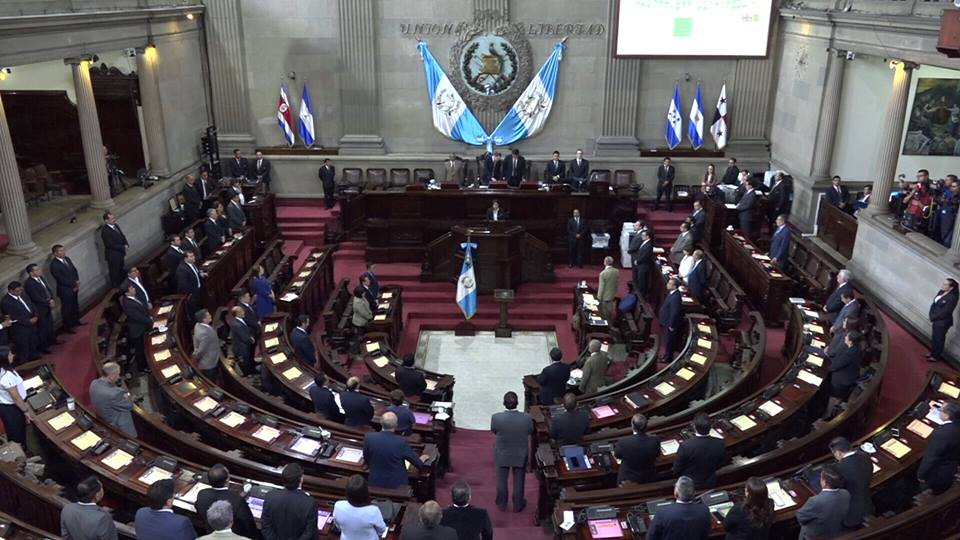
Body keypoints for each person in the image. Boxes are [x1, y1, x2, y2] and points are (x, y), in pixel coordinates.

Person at [490, 391, 533, 512]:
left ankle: (502, 504)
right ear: (518, 403)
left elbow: (494, 430)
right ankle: (518, 505)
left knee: (501, 480)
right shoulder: (527, 418)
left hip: (502, 452)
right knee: (519, 481)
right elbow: (530, 431)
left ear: (504, 403)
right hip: (520, 452)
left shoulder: (496, 417)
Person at [363, 412, 427, 489]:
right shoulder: (401, 441)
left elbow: (366, 459)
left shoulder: (369, 438)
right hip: (397, 485)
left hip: (374, 481)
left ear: (380, 422)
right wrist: (421, 459)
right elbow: (417, 463)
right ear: (396, 425)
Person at [195, 464, 257, 539]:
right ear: (227, 480)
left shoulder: (202, 494)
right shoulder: (237, 500)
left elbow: (198, 508)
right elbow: (248, 524)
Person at [260, 464, 318, 540]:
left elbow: (266, 526)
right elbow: (309, 533)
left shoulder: (270, 496)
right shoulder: (310, 502)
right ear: (301, 480)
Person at [829, 437, 873, 530]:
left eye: (834, 453)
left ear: (838, 452)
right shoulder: (866, 458)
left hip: (850, 514)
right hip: (867, 506)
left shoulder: (838, 469)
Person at [646, 476, 711, 540]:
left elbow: (650, 538)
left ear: (675, 493)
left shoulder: (662, 513)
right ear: (694, 493)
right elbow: (705, 534)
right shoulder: (704, 510)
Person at [673, 413, 726, 489]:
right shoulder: (720, 443)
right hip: (710, 481)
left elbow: (677, 469)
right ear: (711, 427)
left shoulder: (686, 446)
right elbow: (721, 463)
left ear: (694, 427)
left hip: (689, 484)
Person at [796, 466, 850, 540]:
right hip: (835, 531)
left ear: (824, 483)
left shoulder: (815, 501)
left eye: (821, 478)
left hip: (814, 535)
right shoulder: (846, 493)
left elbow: (800, 517)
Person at [918, 400, 960, 494]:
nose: (938, 412)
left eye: (940, 410)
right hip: (951, 468)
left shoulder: (942, 434)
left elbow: (931, 458)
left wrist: (921, 476)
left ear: (946, 415)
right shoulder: (956, 426)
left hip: (937, 476)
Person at [89, 362, 136, 437]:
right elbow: (129, 405)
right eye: (118, 374)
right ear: (111, 376)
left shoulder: (94, 383)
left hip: (102, 416)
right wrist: (128, 397)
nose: (118, 377)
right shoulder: (115, 394)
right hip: (117, 424)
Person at [333, 475, 386, 540]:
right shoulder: (373, 511)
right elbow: (382, 529)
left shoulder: (338, 505)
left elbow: (338, 526)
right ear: (365, 492)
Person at [614, 413, 660, 485]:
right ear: (646, 426)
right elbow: (657, 454)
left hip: (628, 480)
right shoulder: (655, 440)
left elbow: (617, 455)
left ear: (632, 426)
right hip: (649, 477)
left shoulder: (623, 442)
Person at [24, 263, 57, 353]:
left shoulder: (41, 278)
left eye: (39, 269)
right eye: (37, 270)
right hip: (40, 309)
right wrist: (48, 302)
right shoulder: (29, 284)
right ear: (31, 273)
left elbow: (47, 289)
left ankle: (52, 340)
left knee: (49, 325)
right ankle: (44, 347)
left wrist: (52, 298)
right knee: (42, 329)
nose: (40, 271)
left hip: (47, 306)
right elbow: (35, 297)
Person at [1, 281, 38, 362]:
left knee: (33, 343)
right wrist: (28, 321)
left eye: (21, 290)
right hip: (20, 330)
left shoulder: (23, 294)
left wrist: (35, 315)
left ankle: (34, 359)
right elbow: (13, 316)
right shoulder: (6, 302)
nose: (20, 292)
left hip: (32, 325)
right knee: (23, 349)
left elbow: (31, 304)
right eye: (18, 291)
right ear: (11, 291)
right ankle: (25, 366)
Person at [49, 244, 82, 332]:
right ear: (55, 253)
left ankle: (76, 321)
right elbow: (60, 279)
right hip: (65, 290)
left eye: (63, 250)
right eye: (60, 251)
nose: (63, 252)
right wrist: (73, 285)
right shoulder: (54, 265)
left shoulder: (67, 259)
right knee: (67, 308)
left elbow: (74, 270)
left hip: (74, 287)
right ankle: (67, 326)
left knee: (75, 305)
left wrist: (77, 280)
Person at [121, 283, 151, 374]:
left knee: (144, 347)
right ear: (126, 293)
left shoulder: (134, 297)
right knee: (140, 350)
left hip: (143, 326)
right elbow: (137, 317)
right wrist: (150, 321)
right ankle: (142, 368)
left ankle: (146, 364)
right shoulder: (128, 303)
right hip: (137, 330)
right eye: (131, 288)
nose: (134, 289)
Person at [0, 347, 27, 445]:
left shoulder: (3, 369)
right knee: (17, 432)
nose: (12, 356)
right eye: (10, 354)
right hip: (12, 408)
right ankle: (20, 455)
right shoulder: (7, 376)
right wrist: (26, 411)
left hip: (4, 406)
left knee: (12, 430)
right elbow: (16, 397)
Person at [929, 277, 959, 362]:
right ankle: (932, 353)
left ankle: (935, 356)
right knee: (934, 337)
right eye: (944, 283)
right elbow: (934, 304)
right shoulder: (941, 292)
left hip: (943, 322)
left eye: (946, 284)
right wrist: (931, 314)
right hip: (936, 319)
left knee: (939, 338)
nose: (943, 285)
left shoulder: (952, 298)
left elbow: (945, 311)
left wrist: (933, 317)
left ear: (951, 287)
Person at [100, 212, 128, 288]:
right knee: (115, 273)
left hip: (120, 254)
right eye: (112, 219)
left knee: (121, 271)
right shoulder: (105, 231)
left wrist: (126, 244)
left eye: (114, 218)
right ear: (106, 221)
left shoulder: (116, 226)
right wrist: (123, 247)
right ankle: (116, 289)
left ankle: (123, 286)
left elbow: (122, 236)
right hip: (113, 256)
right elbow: (110, 244)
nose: (114, 219)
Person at [659, 277, 683, 362]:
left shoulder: (676, 297)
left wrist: (671, 325)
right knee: (667, 340)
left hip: (670, 323)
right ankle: (666, 355)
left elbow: (674, 312)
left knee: (670, 341)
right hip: (666, 321)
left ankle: (668, 358)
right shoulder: (672, 293)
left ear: (675, 286)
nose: (667, 284)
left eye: (670, 284)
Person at [193, 309, 221, 381]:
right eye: (209, 315)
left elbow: (195, 340)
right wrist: (197, 355)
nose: (211, 316)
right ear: (204, 319)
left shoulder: (197, 325)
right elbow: (201, 351)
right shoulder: (205, 334)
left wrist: (196, 349)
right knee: (211, 381)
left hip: (209, 359)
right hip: (209, 363)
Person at [177, 250, 204, 318]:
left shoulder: (191, 263)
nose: (194, 257)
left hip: (197, 291)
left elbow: (195, 273)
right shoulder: (182, 269)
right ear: (185, 258)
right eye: (191, 256)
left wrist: (200, 274)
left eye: (193, 255)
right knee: (195, 311)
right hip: (191, 294)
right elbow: (183, 285)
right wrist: (191, 294)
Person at [229, 305, 256, 376]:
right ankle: (249, 375)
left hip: (243, 345)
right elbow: (244, 338)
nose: (244, 312)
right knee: (246, 362)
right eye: (242, 311)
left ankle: (252, 370)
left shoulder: (238, 320)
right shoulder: (237, 325)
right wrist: (251, 340)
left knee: (249, 360)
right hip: (242, 347)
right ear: (237, 314)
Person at [627, 227, 654, 296]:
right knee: (639, 280)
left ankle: (642, 296)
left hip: (643, 266)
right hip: (640, 265)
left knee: (642, 282)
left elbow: (644, 256)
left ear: (648, 237)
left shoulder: (649, 245)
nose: (642, 237)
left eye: (643, 235)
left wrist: (637, 261)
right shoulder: (644, 242)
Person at [351, 286, 373, 355]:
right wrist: (371, 317)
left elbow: (366, 306)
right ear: (359, 294)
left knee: (361, 337)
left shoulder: (361, 297)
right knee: (359, 338)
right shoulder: (358, 303)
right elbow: (363, 313)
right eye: (363, 292)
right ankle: (355, 352)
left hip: (363, 320)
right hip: (359, 323)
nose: (364, 293)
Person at [597, 257, 619, 321]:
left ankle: (606, 326)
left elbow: (601, 287)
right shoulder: (616, 271)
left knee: (604, 314)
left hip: (604, 296)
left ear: (605, 263)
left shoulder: (603, 274)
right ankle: (610, 323)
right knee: (609, 312)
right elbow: (616, 284)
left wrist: (599, 297)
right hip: (612, 295)